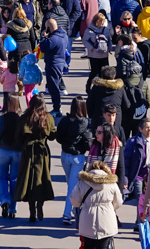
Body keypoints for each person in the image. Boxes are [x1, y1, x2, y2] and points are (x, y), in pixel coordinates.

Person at [15, 93, 57, 223]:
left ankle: (32, 210)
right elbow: (52, 136)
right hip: (42, 153)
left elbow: (18, 136)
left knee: (29, 180)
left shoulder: (25, 118)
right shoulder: (48, 118)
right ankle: (40, 205)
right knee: (42, 179)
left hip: (28, 152)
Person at [70, 159, 124, 249]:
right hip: (107, 220)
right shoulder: (112, 184)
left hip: (87, 220)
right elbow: (118, 202)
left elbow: (74, 201)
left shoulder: (82, 183)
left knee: (88, 246)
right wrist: (109, 207)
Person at [56, 96, 93, 225]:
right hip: (78, 157)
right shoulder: (86, 123)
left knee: (70, 184)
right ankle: (67, 214)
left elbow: (58, 137)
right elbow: (88, 142)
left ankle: (71, 209)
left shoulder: (64, 120)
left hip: (65, 155)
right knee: (72, 187)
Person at [0, 93, 25, 218]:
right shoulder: (22, 117)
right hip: (18, 151)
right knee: (14, 179)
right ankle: (13, 209)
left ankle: (5, 200)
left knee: (1, 177)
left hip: (2, 150)